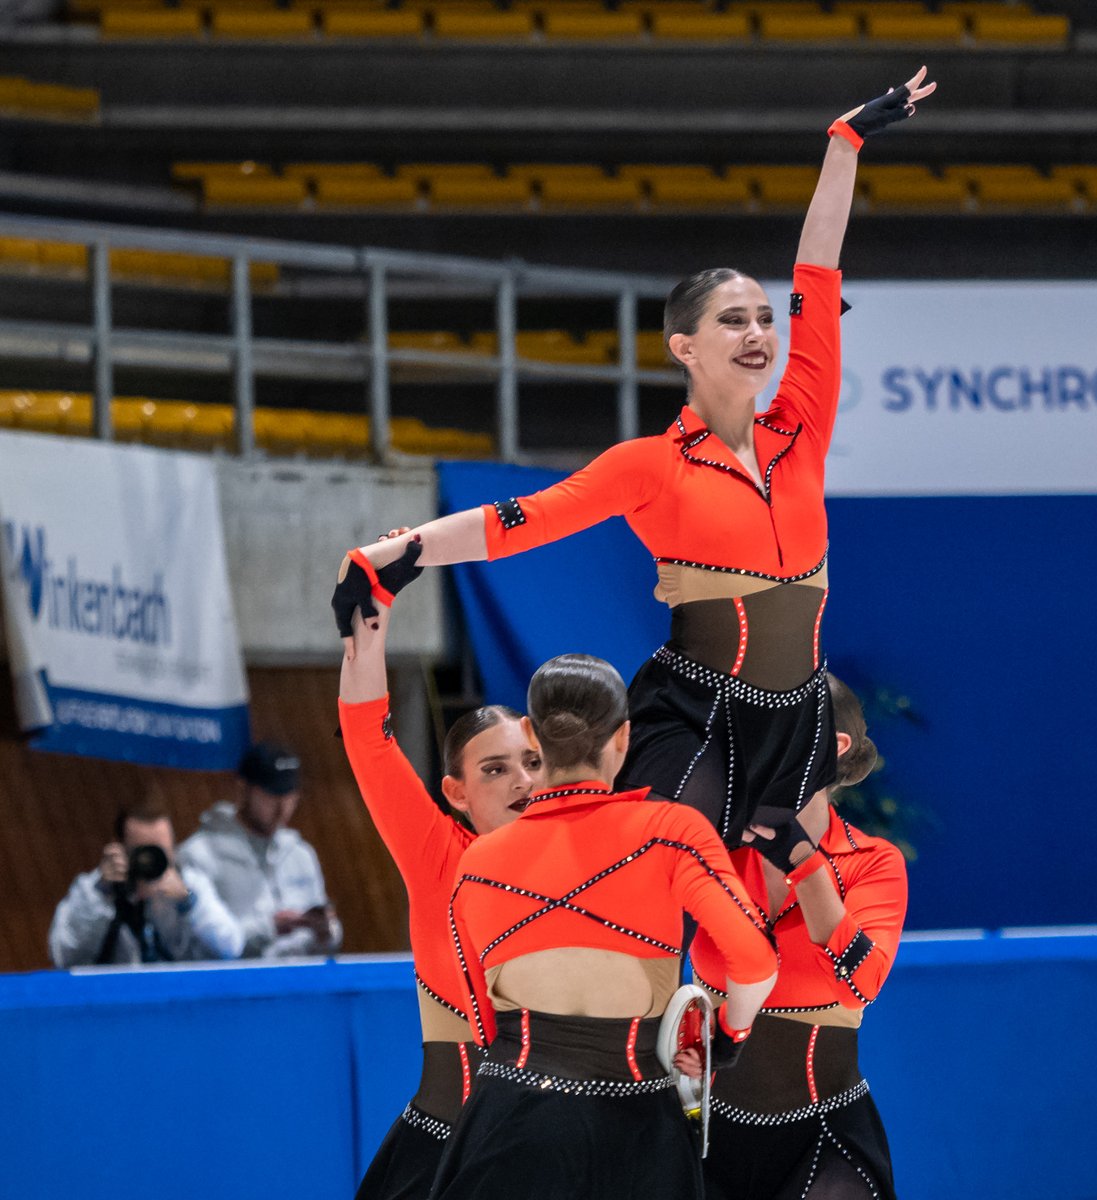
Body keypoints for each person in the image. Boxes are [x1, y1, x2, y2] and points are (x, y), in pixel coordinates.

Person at [332, 68, 937, 852]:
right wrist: (401, 551)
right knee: (664, 875)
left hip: (795, 716)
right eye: (732, 321)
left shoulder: (801, 427)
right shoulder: (648, 465)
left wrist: (843, 144)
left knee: (766, 927)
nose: (758, 333)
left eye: (761, 318)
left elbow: (816, 280)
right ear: (684, 347)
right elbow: (523, 521)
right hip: (696, 714)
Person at [429, 653, 779, 1199]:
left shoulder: (478, 861)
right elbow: (755, 962)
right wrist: (729, 1036)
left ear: (531, 734)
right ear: (624, 737)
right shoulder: (672, 831)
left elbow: (479, 1014)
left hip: (512, 1114)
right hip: (637, 1123)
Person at [339, 594, 545, 1200]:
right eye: (495, 769)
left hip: (543, 1147)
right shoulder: (439, 856)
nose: (522, 781)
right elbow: (368, 741)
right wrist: (367, 622)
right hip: (440, 1144)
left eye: (532, 762)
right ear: (455, 792)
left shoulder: (583, 858)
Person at [689, 675, 908, 1200]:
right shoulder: (708, 848)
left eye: (772, 733)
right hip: (706, 1137)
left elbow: (862, 983)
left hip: (826, 1138)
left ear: (832, 750)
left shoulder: (872, 862)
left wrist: (804, 863)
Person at [177, 741, 343, 958]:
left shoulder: (301, 854)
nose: (282, 806)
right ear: (243, 788)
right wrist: (269, 928)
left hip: (299, 983)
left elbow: (330, 934)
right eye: (272, 793)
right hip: (235, 987)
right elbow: (195, 946)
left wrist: (326, 932)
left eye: (290, 795)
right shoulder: (199, 854)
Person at [49, 798, 244, 967]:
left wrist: (189, 903)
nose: (151, 861)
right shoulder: (95, 890)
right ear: (120, 849)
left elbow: (232, 946)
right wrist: (101, 896)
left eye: (160, 852)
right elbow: (62, 955)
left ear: (173, 850)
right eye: (142, 852)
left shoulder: (190, 884)